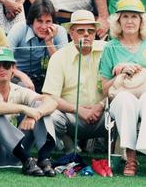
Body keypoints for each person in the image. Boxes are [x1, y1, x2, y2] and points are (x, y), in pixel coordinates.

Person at [99, 0, 146, 178]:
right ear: (118, 20)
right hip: (123, 100)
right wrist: (120, 72)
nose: (130, 21)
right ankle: (130, 158)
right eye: (125, 16)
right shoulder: (111, 47)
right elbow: (105, 89)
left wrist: (139, 71)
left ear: (142, 21)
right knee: (125, 99)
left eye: (134, 16)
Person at [0, 47, 58, 176]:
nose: (2, 69)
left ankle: (44, 159)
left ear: (13, 69)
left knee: (40, 105)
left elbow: (51, 102)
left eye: (6, 65)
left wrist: (34, 114)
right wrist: (24, 109)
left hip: (13, 154)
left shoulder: (17, 89)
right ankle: (26, 159)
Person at [42, 10, 106, 152]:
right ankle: (70, 147)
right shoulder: (59, 57)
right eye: (81, 31)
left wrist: (101, 105)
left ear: (95, 33)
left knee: (123, 103)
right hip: (72, 117)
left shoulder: (107, 50)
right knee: (50, 115)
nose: (86, 34)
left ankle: (118, 155)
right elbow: (49, 96)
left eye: (90, 30)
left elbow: (119, 86)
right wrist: (78, 109)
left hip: (103, 115)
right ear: (71, 34)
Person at [7, 0, 68, 92]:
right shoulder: (18, 29)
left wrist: (49, 42)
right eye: (39, 21)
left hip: (44, 76)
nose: (44, 27)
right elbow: (5, 62)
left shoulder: (60, 31)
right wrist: (22, 76)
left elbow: (63, 66)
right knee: (23, 88)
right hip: (17, 75)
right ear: (31, 22)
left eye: (48, 21)